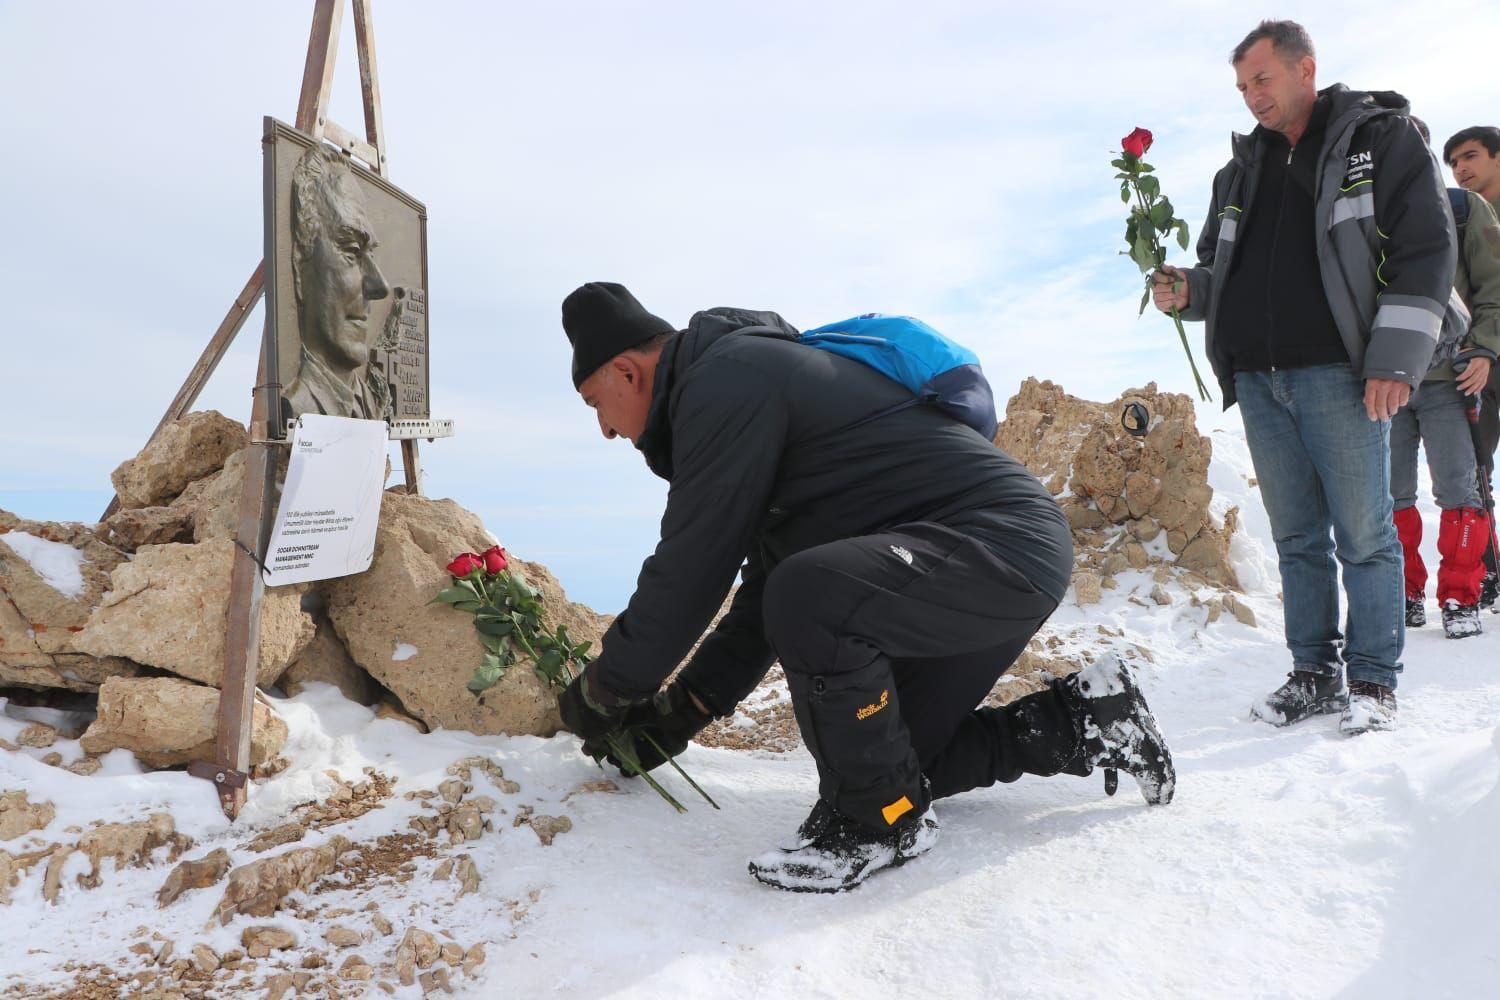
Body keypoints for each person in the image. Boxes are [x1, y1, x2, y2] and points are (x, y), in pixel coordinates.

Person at [553, 281, 1175, 894]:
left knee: (811, 603)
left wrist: (606, 690)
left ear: (628, 371)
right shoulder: (741, 385)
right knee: (887, 757)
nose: (604, 429)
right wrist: (679, 713)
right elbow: (762, 591)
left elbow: (693, 565)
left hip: (997, 544)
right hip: (984, 558)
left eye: (592, 403)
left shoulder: (727, 380)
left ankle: (875, 826)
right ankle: (1091, 720)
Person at [1151, 20, 1456, 733]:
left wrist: (1394, 360)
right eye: (1242, 86)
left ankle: (1375, 683)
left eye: (1262, 79)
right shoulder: (1239, 170)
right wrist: (1188, 291)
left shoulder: (1378, 140)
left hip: (1341, 374)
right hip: (1260, 379)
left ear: (1304, 69)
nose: (1251, 96)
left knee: (1365, 534)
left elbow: (1426, 250)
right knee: (1296, 539)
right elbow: (1223, 272)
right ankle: (1313, 672)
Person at [1388, 118, 1499, 638]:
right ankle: (1404, 593)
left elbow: (1493, 286)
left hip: (1447, 379)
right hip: (1380, 379)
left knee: (1460, 490)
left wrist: (1484, 350)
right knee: (1388, 495)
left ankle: (1460, 597)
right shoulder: (1358, 214)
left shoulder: (1460, 209)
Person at [282, 144, 392, 423]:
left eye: (371, 254)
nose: (379, 286)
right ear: (299, 264)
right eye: (352, 250)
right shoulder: (296, 405)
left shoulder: (372, 404)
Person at [1444, 125, 1500, 612]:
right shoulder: (1454, 217)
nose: (1461, 169)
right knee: (1477, 468)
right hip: (1481, 360)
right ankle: (1486, 574)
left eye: (1471, 156)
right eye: (1454, 161)